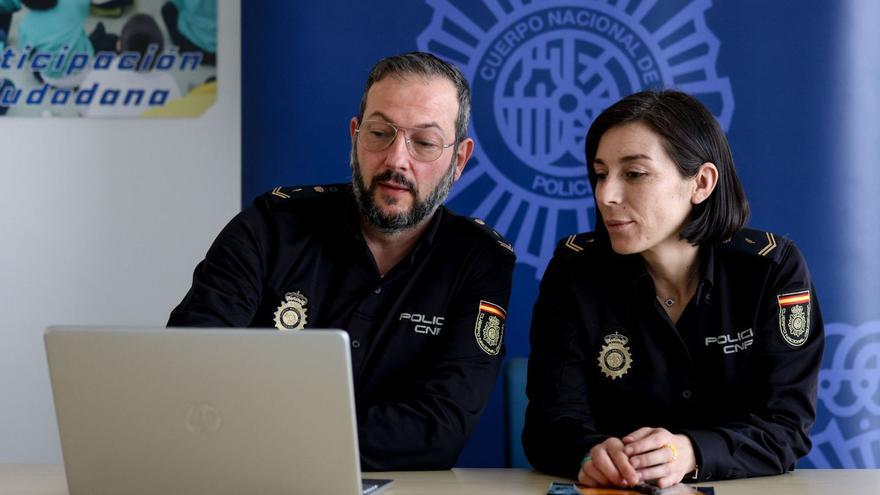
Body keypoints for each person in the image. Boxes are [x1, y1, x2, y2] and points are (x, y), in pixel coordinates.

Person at [168, 52, 516, 470]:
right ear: (355, 136)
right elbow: (189, 362)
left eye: (423, 142)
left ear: (458, 160)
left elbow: (440, 427)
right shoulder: (270, 226)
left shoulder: (478, 260)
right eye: (379, 133)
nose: (395, 160)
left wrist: (271, 437)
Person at [523, 90, 823, 488]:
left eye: (634, 174)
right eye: (600, 174)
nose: (605, 195)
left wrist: (691, 452)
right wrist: (589, 452)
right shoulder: (575, 269)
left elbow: (785, 428)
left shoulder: (771, 270)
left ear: (701, 183)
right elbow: (548, 424)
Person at [78, 13, 181, 117]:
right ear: (160, 52)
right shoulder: (170, 85)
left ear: (119, 45)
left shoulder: (98, 73)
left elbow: (81, 107)